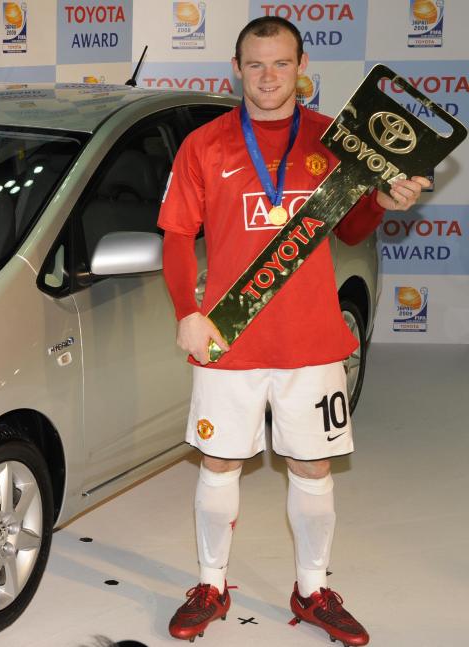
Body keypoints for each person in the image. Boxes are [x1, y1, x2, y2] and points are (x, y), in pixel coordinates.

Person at [157, 16, 429, 646]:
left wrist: (383, 204)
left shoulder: (338, 139)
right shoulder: (205, 144)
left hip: (311, 341)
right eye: (256, 65)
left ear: (301, 65)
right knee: (219, 463)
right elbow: (176, 238)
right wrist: (185, 312)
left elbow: (353, 229)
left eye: (281, 64)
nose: (269, 77)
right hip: (230, 339)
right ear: (236, 68)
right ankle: (210, 583)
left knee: (313, 471)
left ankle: (312, 590)